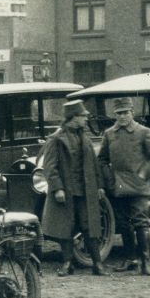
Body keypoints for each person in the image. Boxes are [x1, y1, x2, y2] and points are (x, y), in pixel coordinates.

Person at [40, 100, 108, 277]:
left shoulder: (84, 138)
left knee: (90, 225)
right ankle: (67, 263)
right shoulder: (55, 139)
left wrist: (100, 186)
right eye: (82, 116)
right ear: (73, 118)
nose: (85, 119)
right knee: (65, 227)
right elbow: (49, 167)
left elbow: (94, 164)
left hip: (86, 191)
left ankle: (97, 264)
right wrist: (57, 189)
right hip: (66, 192)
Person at [98, 97, 150, 276]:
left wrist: (143, 174)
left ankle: (145, 262)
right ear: (115, 115)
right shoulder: (109, 134)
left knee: (141, 223)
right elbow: (102, 159)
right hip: (118, 188)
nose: (122, 117)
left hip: (138, 187)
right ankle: (130, 259)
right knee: (122, 224)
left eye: (125, 112)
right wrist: (109, 179)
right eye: (119, 113)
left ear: (132, 113)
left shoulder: (144, 132)